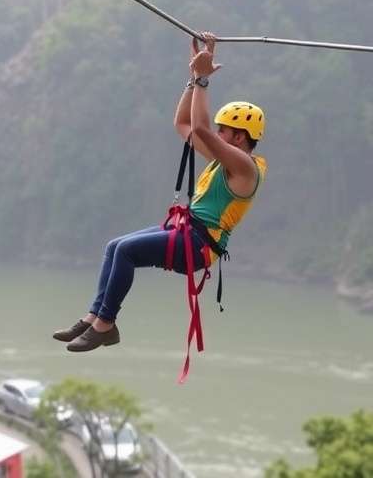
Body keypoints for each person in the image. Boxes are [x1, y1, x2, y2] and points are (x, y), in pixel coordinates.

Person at [53, 33, 267, 352]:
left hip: (198, 245)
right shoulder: (223, 160)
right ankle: (94, 316)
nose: (217, 134)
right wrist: (194, 79)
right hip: (186, 232)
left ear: (240, 138)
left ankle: (106, 325)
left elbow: (201, 129)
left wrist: (205, 80)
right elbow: (184, 123)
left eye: (224, 130)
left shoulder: (245, 169)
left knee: (126, 252)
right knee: (115, 246)